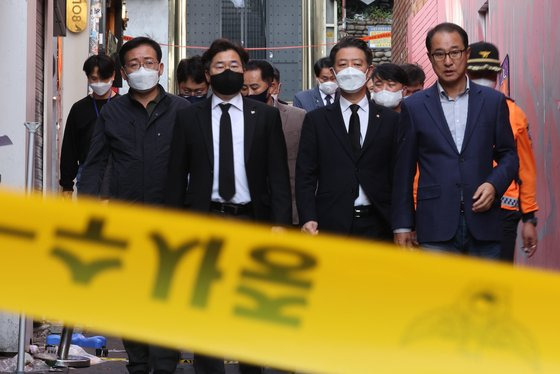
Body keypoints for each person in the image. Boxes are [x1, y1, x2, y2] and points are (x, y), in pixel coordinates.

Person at [164, 38, 291, 374]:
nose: (228, 72)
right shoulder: (189, 117)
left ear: (244, 70)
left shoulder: (264, 116)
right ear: (208, 73)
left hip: (252, 221)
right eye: (220, 66)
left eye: (235, 66)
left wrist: (280, 223)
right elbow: (177, 175)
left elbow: (278, 174)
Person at [78, 36, 190, 374]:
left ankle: (165, 364)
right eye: (133, 65)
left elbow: (202, 165)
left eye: (148, 63)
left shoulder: (183, 111)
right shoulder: (112, 112)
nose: (142, 70)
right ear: (123, 74)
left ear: (160, 66)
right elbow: (94, 163)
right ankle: (139, 363)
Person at [392, 23, 518, 258]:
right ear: (430, 58)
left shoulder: (493, 102)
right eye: (439, 54)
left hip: (485, 222)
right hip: (435, 226)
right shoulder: (414, 107)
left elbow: (509, 155)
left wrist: (494, 184)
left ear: (467, 54)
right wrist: (402, 225)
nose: (448, 61)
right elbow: (403, 171)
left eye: (455, 52)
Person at [296, 36, 400, 240]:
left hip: (380, 223)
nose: (350, 70)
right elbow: (305, 174)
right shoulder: (316, 120)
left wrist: (402, 224)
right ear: (334, 73)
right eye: (342, 65)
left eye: (357, 64)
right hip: (331, 224)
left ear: (369, 71)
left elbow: (399, 174)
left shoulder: (390, 120)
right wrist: (308, 216)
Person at [466, 41, 539, 261]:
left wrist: (529, 219)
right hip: (463, 207)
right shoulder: (453, 108)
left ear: (498, 75)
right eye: (477, 72)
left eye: (489, 73)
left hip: (504, 211)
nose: (484, 78)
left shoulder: (515, 113)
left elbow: (525, 168)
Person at [242, 59, 306, 225]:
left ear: (272, 87)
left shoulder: (297, 117)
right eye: (244, 88)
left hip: (292, 213)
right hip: (251, 213)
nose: (249, 93)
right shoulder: (234, 119)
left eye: (255, 88)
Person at [59, 54, 118, 196]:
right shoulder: (79, 108)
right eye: (94, 79)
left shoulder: (123, 107)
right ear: (87, 77)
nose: (99, 83)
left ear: (113, 75)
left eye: (104, 78)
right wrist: (67, 185)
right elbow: (69, 147)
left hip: (118, 171)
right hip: (87, 171)